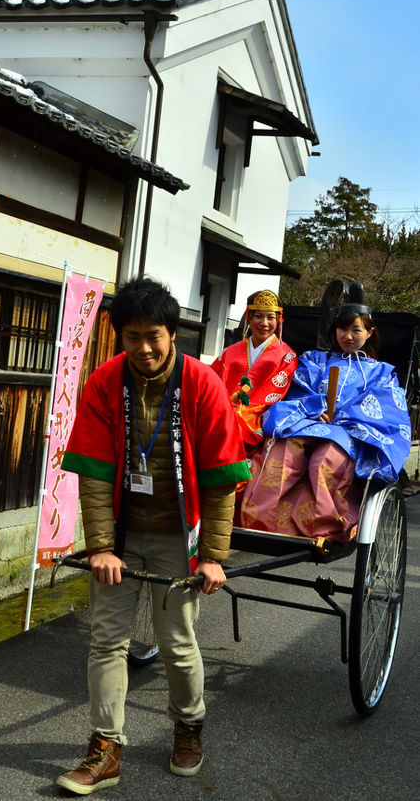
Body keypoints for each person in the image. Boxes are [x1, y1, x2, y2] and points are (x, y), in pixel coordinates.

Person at [56, 276, 251, 795]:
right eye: (132, 336)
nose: (143, 348)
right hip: (121, 530)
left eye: (155, 336)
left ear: (173, 333)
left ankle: (188, 727)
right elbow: (94, 473)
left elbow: (219, 478)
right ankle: (105, 749)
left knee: (177, 643)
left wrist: (213, 555)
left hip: (175, 532)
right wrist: (99, 546)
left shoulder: (202, 383)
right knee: (105, 642)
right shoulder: (104, 381)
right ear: (119, 336)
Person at [240, 301, 412, 542]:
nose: (348, 336)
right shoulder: (315, 359)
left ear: (370, 332)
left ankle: (324, 527)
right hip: (307, 422)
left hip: (349, 431)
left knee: (324, 461)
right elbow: (299, 387)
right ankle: (261, 520)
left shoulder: (382, 373)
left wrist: (343, 418)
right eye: (342, 329)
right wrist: (313, 408)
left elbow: (384, 408)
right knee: (284, 453)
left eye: (356, 330)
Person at [210, 289, 297, 455]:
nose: (264, 323)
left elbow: (275, 394)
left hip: (260, 417)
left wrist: (237, 410)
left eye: (270, 317)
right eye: (258, 316)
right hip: (223, 410)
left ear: (279, 320)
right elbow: (211, 381)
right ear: (248, 318)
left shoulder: (287, 356)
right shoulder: (230, 351)